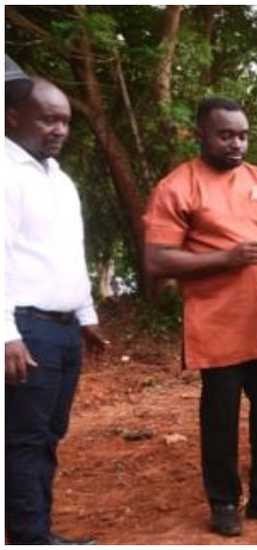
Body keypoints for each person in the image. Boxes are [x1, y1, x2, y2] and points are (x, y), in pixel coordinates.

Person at [144, 97, 257, 536]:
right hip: (215, 328)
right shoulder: (177, 187)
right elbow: (157, 261)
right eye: (226, 134)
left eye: (243, 135)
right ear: (201, 134)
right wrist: (227, 257)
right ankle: (224, 503)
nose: (237, 143)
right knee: (220, 422)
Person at [5, 67, 108, 545]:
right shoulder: (6, 174)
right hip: (26, 329)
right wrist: (6, 334)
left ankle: (35, 529)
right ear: (11, 118)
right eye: (48, 120)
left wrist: (86, 318)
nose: (60, 130)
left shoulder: (59, 180)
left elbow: (71, 253)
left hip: (64, 331)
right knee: (23, 440)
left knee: (49, 434)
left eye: (65, 122)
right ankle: (29, 536)